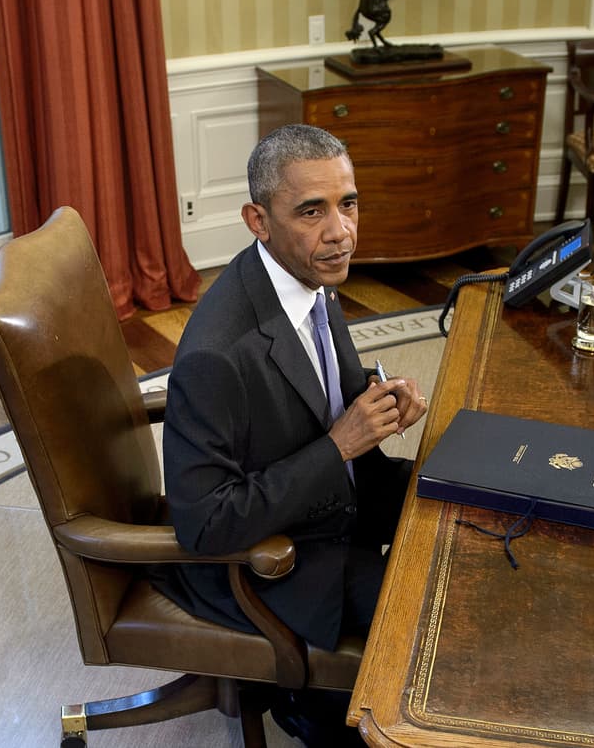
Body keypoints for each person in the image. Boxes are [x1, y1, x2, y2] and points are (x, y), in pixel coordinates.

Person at [155, 124, 428, 747]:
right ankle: (321, 712)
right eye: (312, 211)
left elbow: (316, 397)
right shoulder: (216, 355)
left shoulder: (311, 274)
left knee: (469, 513)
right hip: (283, 561)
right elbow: (204, 526)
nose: (341, 231)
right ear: (258, 220)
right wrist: (341, 444)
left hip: (336, 504)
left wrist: (375, 404)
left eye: (348, 203)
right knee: (435, 624)